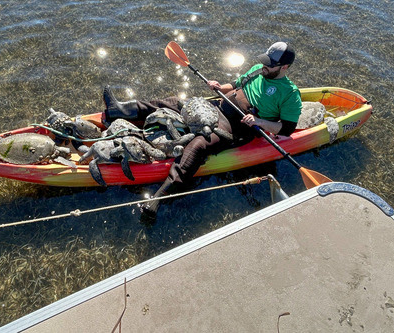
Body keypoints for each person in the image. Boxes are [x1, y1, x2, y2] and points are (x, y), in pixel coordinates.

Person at [102, 41, 302, 220]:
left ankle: (159, 198)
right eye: (265, 61)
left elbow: (286, 129)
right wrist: (217, 86)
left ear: (284, 67)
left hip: (236, 127)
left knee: (198, 145)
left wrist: (259, 121)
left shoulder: (290, 94)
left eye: (270, 64)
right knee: (172, 102)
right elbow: (235, 85)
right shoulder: (259, 68)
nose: (265, 66)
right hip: (216, 106)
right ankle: (117, 110)